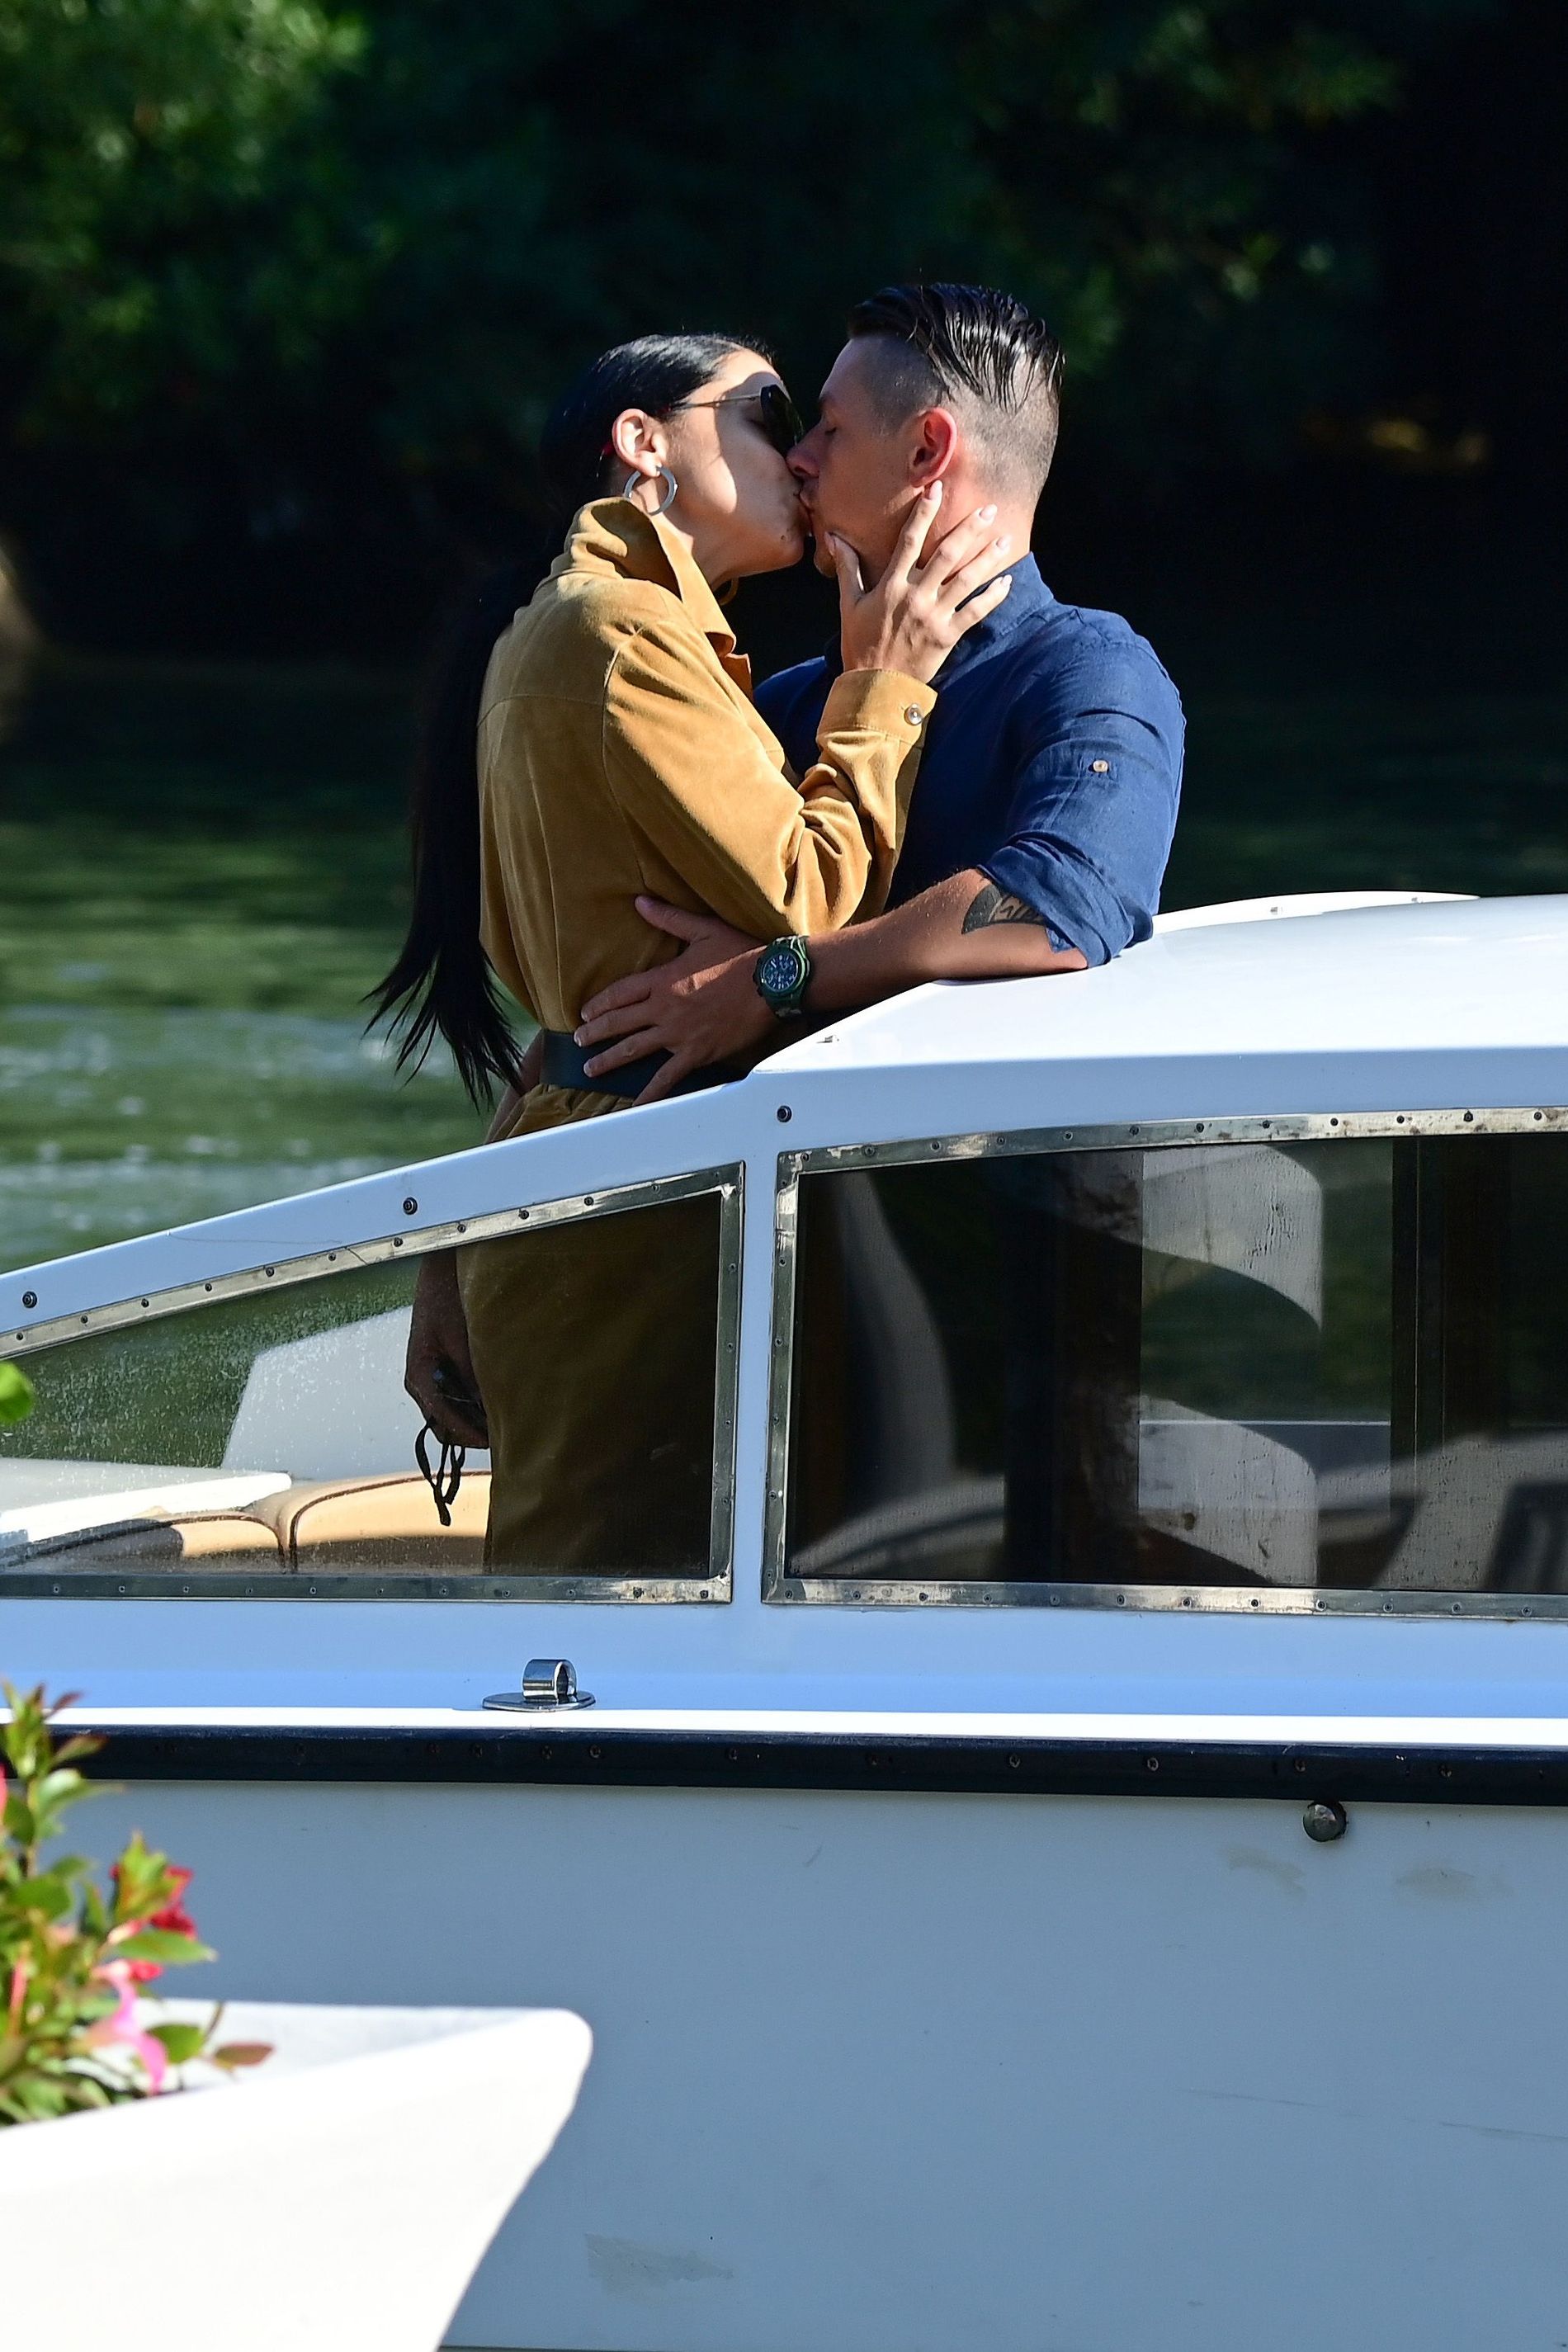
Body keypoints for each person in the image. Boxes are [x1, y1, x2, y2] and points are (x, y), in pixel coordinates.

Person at [376, 330, 1016, 1568]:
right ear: (642, 443)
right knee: (605, 1611)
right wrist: (886, 683)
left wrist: (454, 1242)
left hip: (610, 1175)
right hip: (636, 1195)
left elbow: (592, 995)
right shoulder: (621, 634)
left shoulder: (596, 628)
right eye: (771, 414)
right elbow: (811, 893)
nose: (805, 452)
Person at [570, 282, 1185, 1100]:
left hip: (992, 1203)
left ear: (928, 451)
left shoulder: (1089, 671)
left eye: (831, 429)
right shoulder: (784, 705)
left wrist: (772, 979)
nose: (800, 458)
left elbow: (1060, 909)